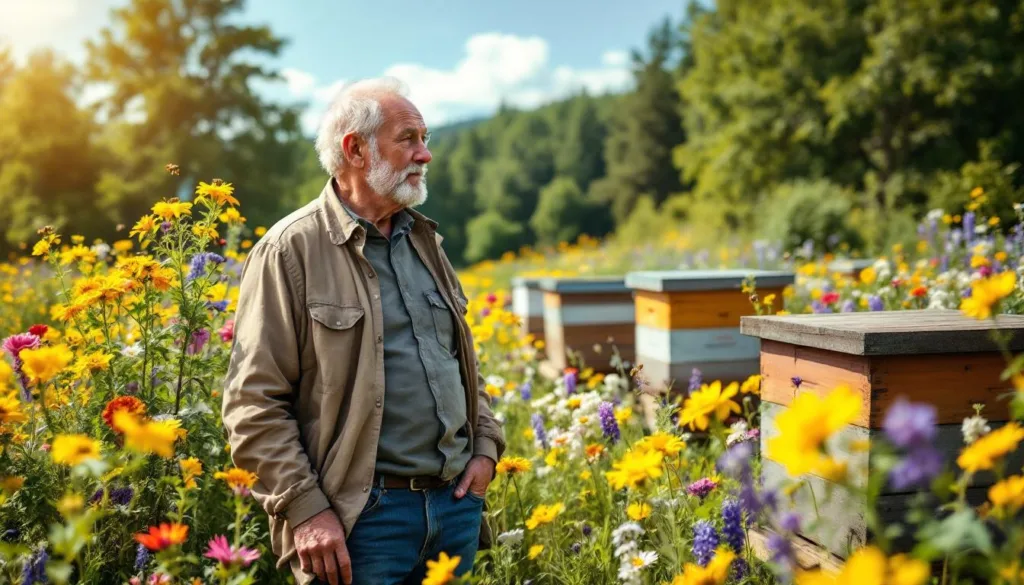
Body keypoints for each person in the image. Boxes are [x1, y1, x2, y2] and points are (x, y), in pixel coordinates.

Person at [221, 76, 506, 585]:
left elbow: (463, 365)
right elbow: (253, 404)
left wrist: (485, 448)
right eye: (408, 139)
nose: (425, 154)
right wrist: (306, 510)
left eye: (425, 139)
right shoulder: (290, 250)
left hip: (455, 507)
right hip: (359, 522)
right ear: (355, 149)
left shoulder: (425, 241)